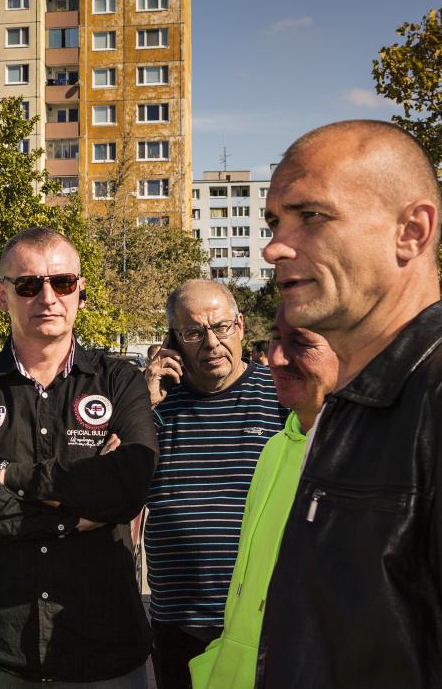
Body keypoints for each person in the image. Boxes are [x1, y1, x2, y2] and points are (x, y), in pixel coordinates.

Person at [0, 227, 156, 687]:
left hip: (106, 648)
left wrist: (6, 476)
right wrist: (72, 513)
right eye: (28, 285)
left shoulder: (119, 381)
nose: (47, 297)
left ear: (81, 293)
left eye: (62, 283)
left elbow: (130, 481)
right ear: (1, 294)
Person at [256, 120, 442, 687]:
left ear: (411, 230)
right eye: (274, 221)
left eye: (311, 216)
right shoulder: (346, 403)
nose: (273, 247)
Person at [142, 280, 285, 689]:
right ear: (173, 340)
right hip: (179, 627)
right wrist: (142, 403)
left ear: (240, 326)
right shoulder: (156, 405)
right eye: (193, 332)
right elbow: (108, 481)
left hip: (264, 624)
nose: (211, 342)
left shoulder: (278, 396)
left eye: (220, 327)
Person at [189, 313, 337, 689]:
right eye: (275, 340)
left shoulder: (381, 456)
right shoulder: (274, 447)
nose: (278, 358)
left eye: (301, 343)